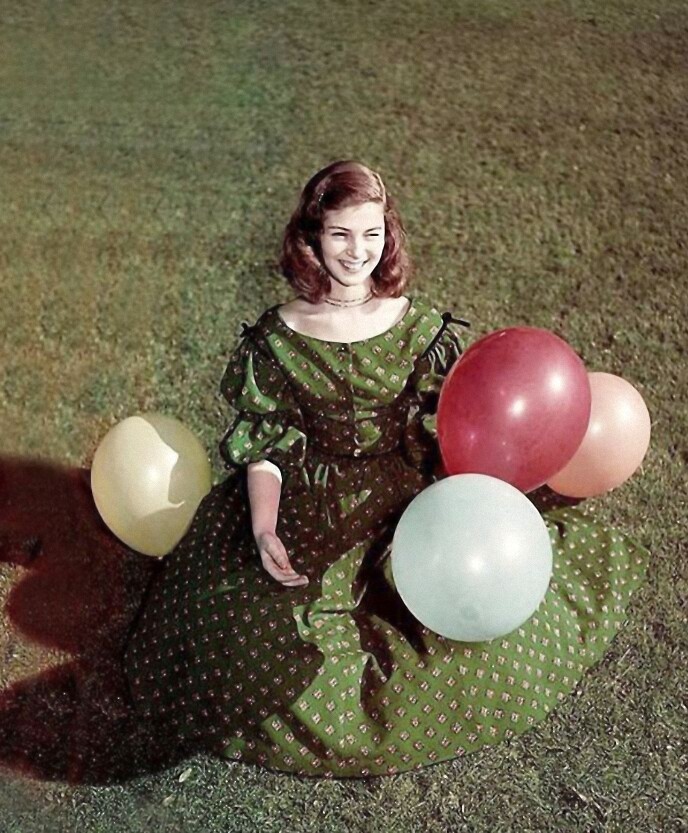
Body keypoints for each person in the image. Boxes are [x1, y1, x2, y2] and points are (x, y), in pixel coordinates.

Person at [123, 160, 648, 778]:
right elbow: (270, 447)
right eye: (341, 234)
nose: (357, 252)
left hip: (403, 494)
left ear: (387, 234)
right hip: (308, 500)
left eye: (371, 234)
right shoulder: (277, 339)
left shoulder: (418, 328)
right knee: (239, 636)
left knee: (469, 637)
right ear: (312, 237)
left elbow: (447, 424)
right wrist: (263, 529)